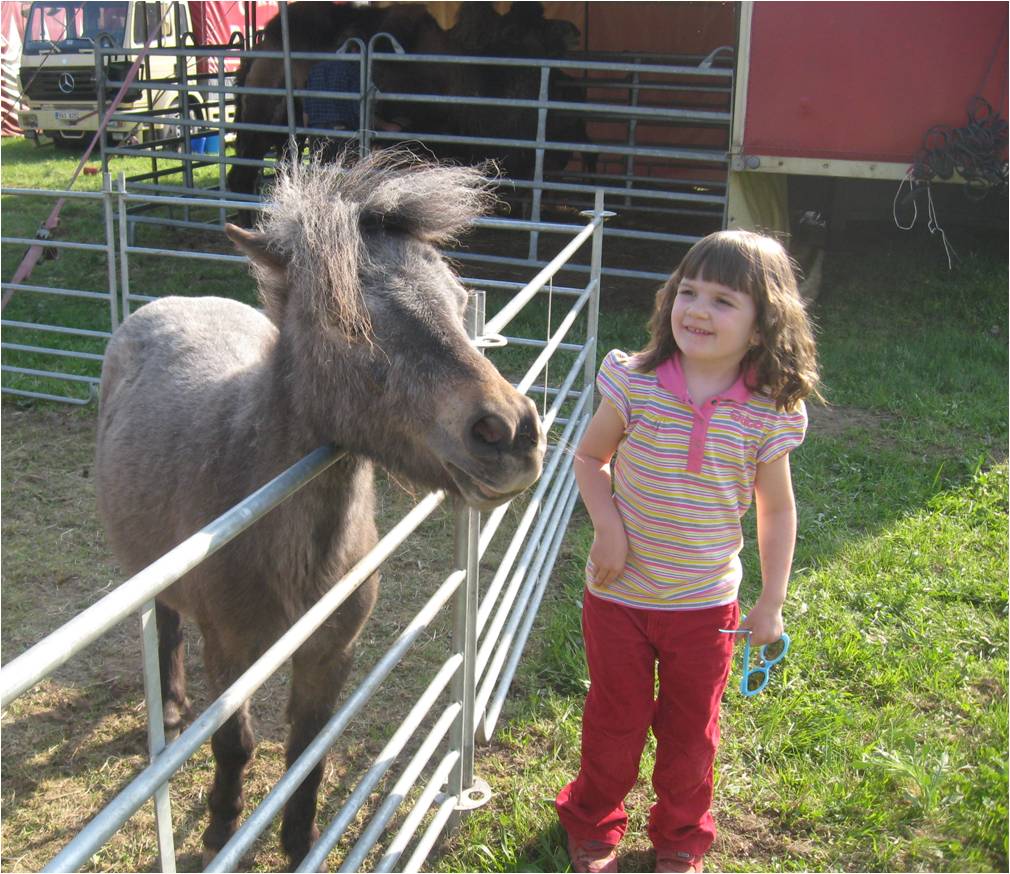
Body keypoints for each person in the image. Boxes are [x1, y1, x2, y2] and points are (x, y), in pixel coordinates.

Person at [556, 230, 821, 874]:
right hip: (618, 596)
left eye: (723, 300)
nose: (696, 309)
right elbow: (589, 458)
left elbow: (776, 508)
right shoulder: (634, 382)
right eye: (688, 291)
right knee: (615, 720)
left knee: (689, 732)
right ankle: (592, 821)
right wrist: (609, 527)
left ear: (763, 325)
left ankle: (679, 838)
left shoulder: (767, 414)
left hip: (705, 608)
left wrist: (771, 601)